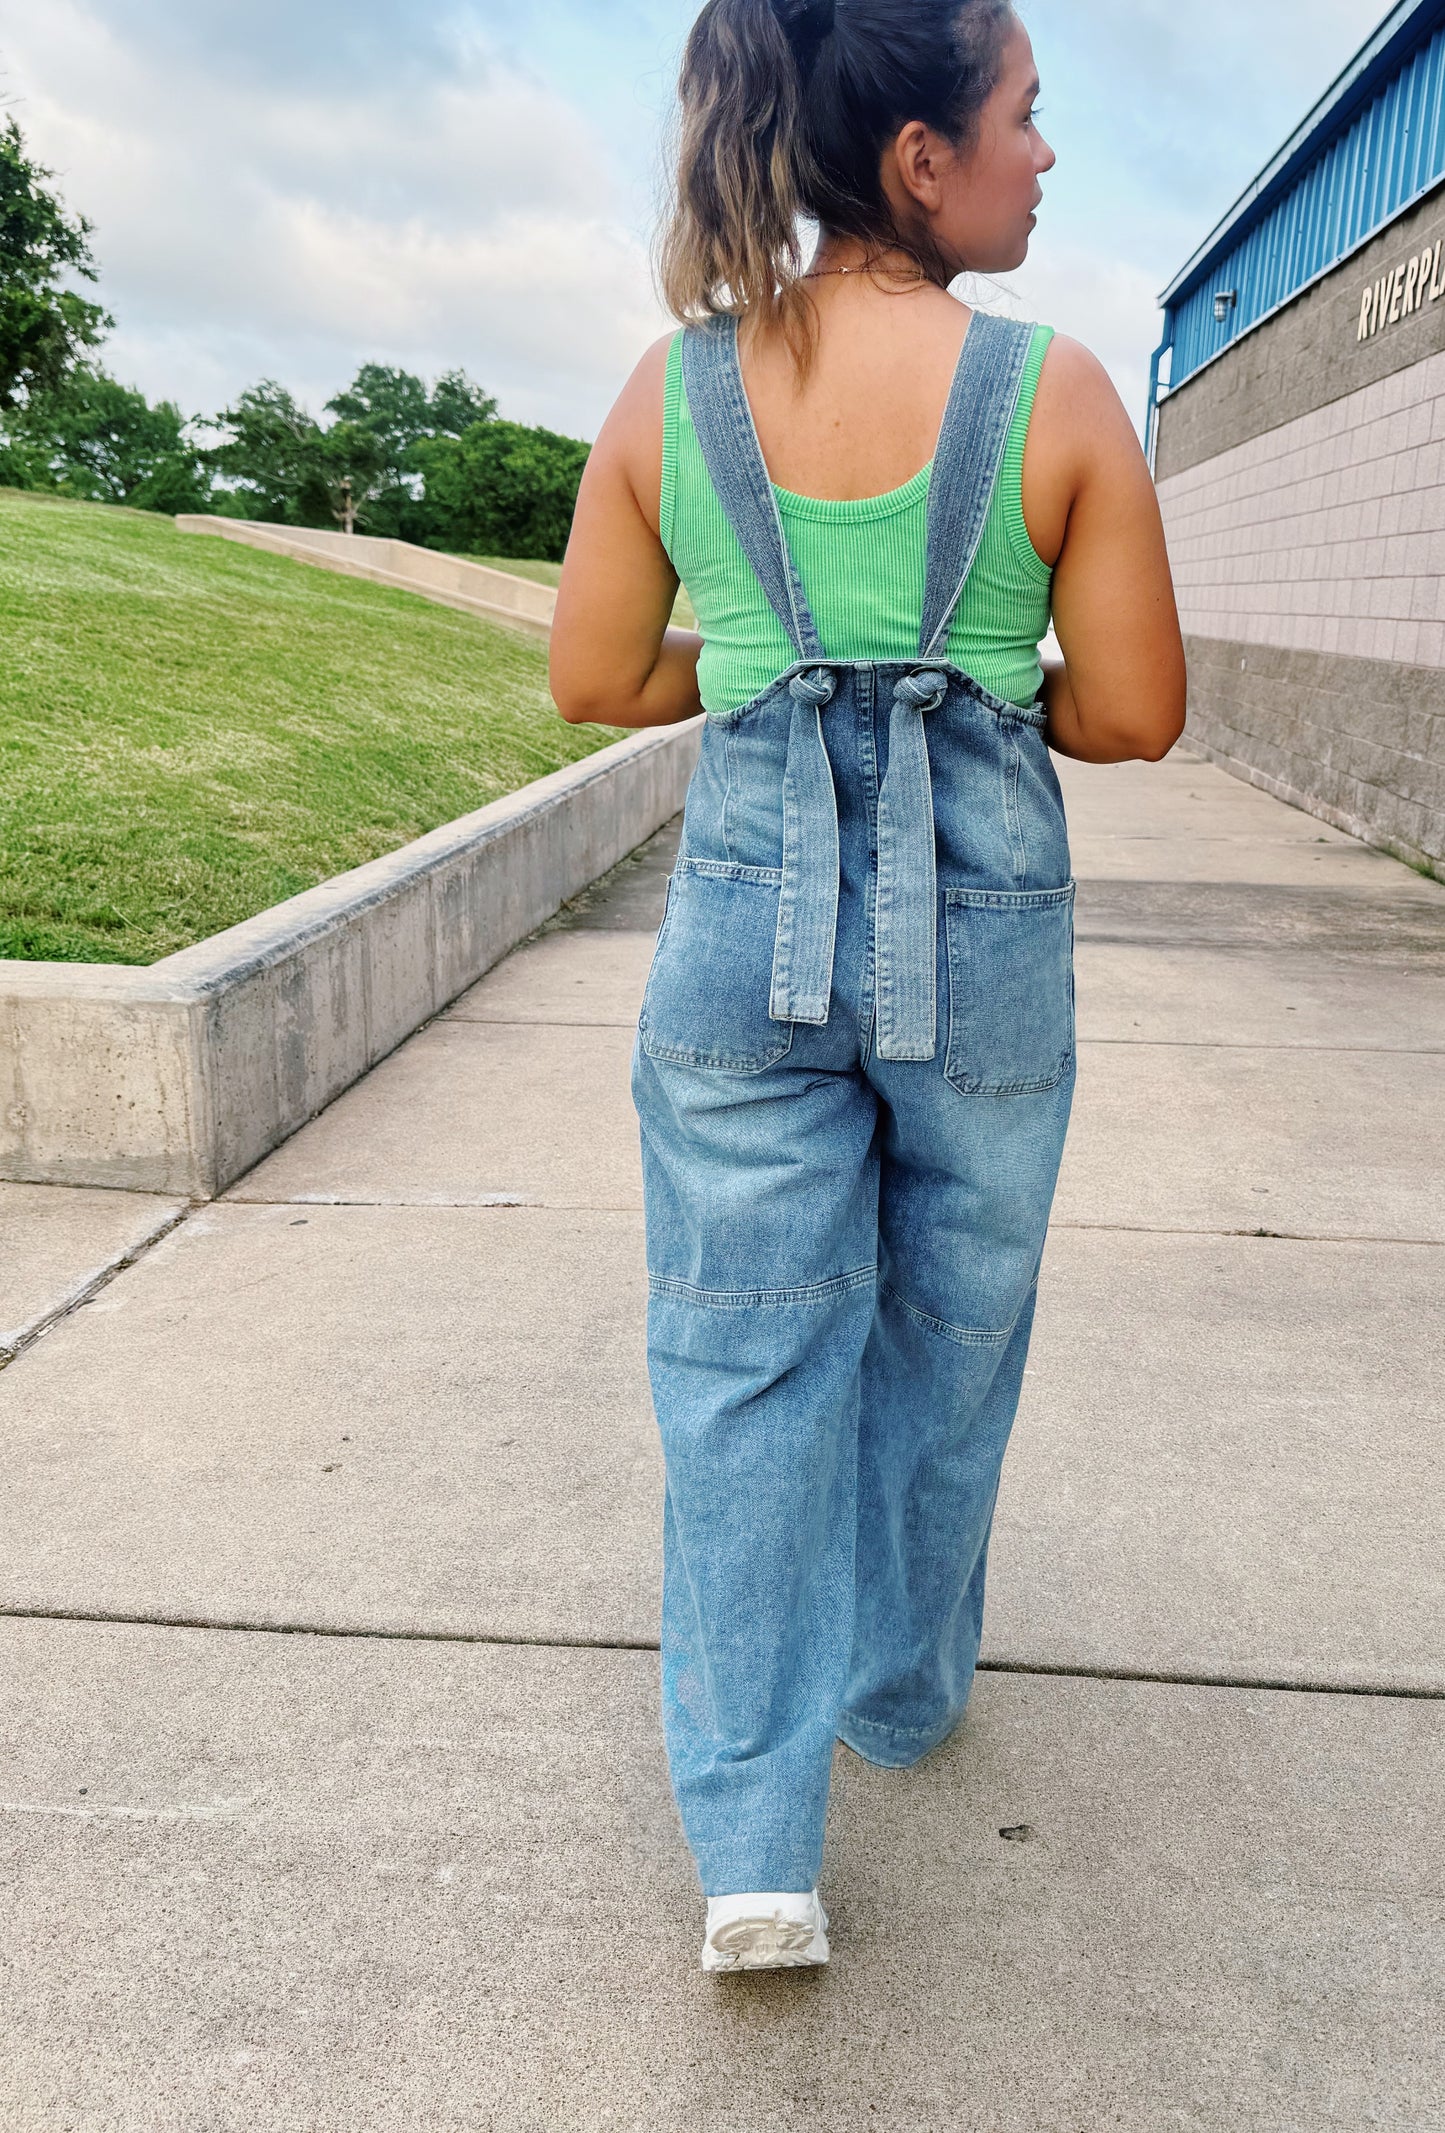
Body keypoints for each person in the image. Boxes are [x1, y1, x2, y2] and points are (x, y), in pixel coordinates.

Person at [550, 0, 1186, 1973]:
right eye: (1025, 116)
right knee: (948, 1321)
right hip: (977, 929)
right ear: (924, 157)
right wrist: (967, 683)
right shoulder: (1056, 396)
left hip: (745, 920)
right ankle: (898, 1690)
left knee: (743, 1359)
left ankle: (755, 1850)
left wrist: (767, 672)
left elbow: (593, 674)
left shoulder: (680, 394)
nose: (1046, 154)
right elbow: (1141, 713)